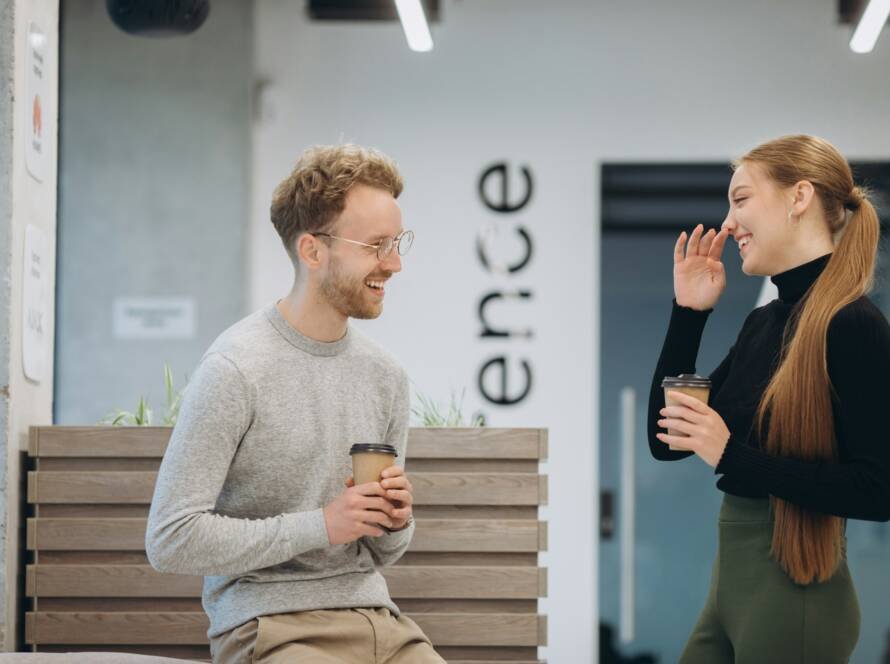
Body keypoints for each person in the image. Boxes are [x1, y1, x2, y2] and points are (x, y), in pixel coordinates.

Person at [146, 144, 445, 663]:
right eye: (377, 245)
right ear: (313, 251)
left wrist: (395, 522)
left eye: (397, 243)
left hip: (383, 625)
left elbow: (380, 551)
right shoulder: (235, 369)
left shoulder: (386, 377)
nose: (394, 264)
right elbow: (171, 538)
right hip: (271, 628)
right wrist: (322, 525)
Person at [647, 134, 890, 663]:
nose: (728, 224)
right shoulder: (764, 322)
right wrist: (688, 313)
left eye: (740, 200)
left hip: (795, 600)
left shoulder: (854, 326)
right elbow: (666, 442)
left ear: (798, 197)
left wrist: (732, 455)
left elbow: (879, 490)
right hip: (729, 590)